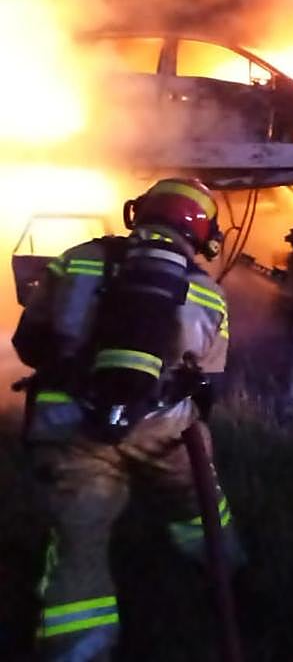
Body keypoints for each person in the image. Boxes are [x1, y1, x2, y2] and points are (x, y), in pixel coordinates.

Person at [12, 177, 240, 661]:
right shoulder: (208, 295)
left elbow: (27, 343)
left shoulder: (75, 260)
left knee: (79, 541)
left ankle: (80, 649)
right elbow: (208, 385)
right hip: (166, 430)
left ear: (140, 213)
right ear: (202, 233)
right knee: (199, 507)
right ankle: (228, 579)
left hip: (70, 427)